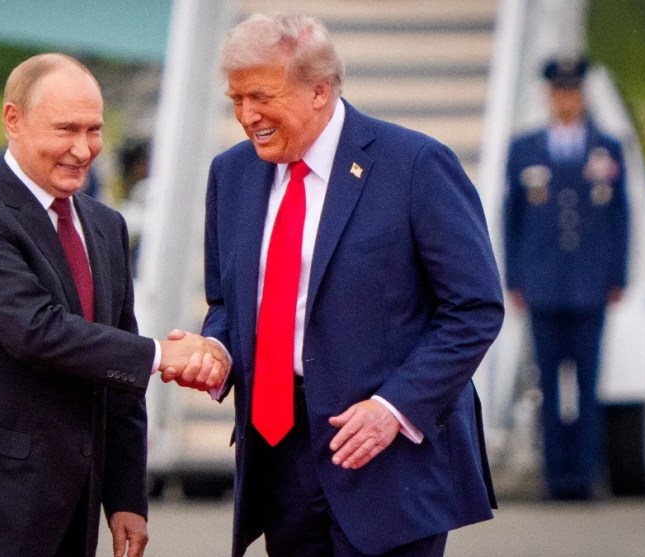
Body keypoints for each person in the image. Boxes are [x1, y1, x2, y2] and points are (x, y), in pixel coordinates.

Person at [162, 13, 504, 557]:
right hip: (280, 457)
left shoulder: (415, 165)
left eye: (261, 96)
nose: (247, 116)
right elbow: (227, 301)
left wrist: (394, 408)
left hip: (386, 458)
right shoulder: (231, 174)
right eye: (236, 99)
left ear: (319, 91)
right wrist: (217, 348)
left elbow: (476, 308)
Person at [0, 53, 226, 557]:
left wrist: (127, 497)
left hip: (72, 505)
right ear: (13, 120)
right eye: (66, 129)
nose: (83, 148)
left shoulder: (105, 226)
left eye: (94, 130)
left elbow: (116, 372)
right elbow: (35, 331)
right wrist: (160, 354)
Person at [503, 57, 629, 500]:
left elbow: (619, 216)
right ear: (549, 96)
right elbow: (512, 218)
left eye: (573, 92)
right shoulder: (525, 148)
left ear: (583, 96)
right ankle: (556, 477)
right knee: (550, 386)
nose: (566, 100)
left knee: (588, 385)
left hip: (591, 284)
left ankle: (586, 475)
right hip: (542, 284)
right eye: (559, 92)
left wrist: (617, 274)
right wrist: (515, 277)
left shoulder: (606, 148)